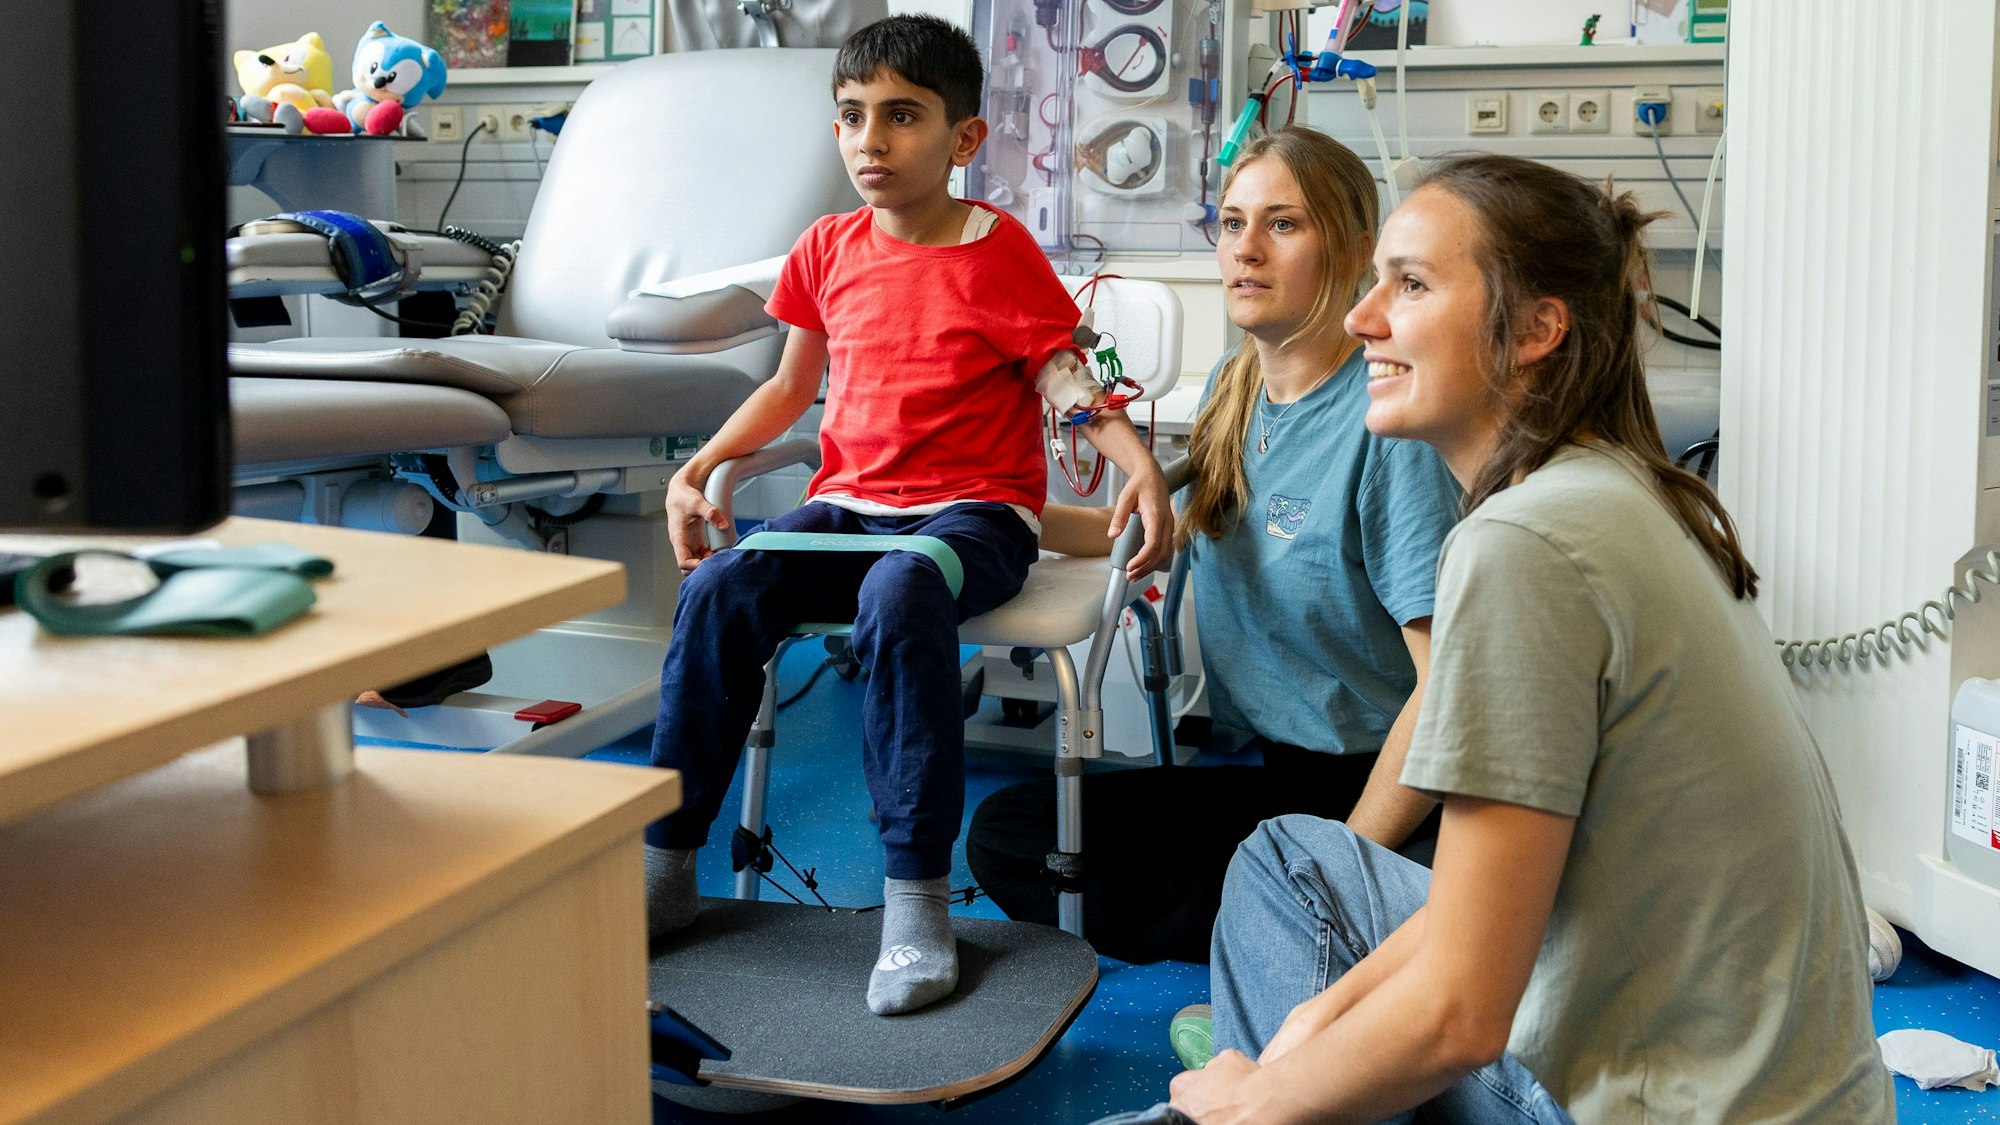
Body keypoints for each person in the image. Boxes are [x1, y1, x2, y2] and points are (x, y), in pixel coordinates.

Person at [1113, 153, 1891, 1123]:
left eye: (1410, 286)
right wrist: (1307, 1029)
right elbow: (1469, 915)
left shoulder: (1525, 546)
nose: (1361, 320)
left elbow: (1458, 1019)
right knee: (1286, 861)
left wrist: (1247, 1101)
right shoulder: (1620, 488)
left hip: (1670, 1106)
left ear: (1535, 330)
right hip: (1793, 1089)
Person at [641, 14, 1173, 1018]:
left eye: (900, 116)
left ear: (963, 138)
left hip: (973, 519)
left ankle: (916, 904)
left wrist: (1136, 462)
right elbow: (788, 388)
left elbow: (1068, 372)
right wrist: (701, 467)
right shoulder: (825, 248)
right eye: (851, 116)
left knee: (902, 582)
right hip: (847, 507)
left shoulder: (999, 250)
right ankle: (666, 867)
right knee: (720, 585)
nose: (869, 141)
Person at [966, 128, 1460, 965]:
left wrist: (1344, 864)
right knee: (1015, 832)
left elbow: (1446, 688)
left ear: (1351, 249)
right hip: (1279, 777)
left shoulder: (1386, 426)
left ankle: (1342, 919)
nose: (1246, 249)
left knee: (1135, 869)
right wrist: (983, 510)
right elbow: (1143, 531)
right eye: (1232, 223)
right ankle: (1302, 933)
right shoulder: (1238, 388)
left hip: (1389, 789)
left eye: (1282, 224)